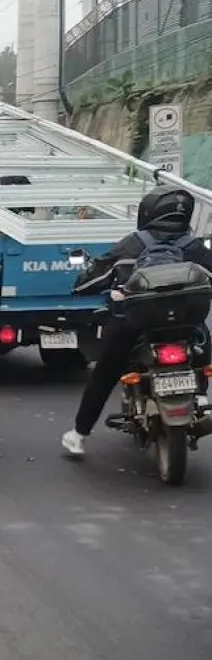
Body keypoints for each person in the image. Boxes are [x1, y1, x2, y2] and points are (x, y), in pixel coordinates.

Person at [62, 185, 212, 458]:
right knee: (204, 349)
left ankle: (79, 435)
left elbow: (92, 279)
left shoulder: (133, 244)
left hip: (135, 328)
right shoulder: (195, 247)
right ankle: (200, 395)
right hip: (187, 330)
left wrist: (81, 285)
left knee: (104, 374)